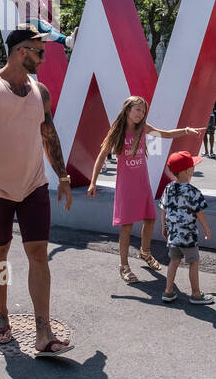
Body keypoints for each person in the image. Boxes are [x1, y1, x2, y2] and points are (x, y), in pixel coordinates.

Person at [0, 24, 75, 357]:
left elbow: (48, 135)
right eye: (40, 52)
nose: (43, 59)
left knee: (38, 254)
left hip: (34, 185)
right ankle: (3, 316)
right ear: (21, 51)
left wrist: (62, 176)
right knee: (0, 255)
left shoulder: (42, 92)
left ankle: (43, 332)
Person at [87, 95, 203, 283]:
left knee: (150, 219)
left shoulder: (143, 129)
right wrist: (93, 182)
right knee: (127, 226)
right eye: (137, 110)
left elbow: (164, 134)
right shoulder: (117, 133)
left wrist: (186, 130)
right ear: (127, 110)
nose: (141, 114)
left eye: (143, 111)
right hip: (126, 186)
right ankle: (124, 266)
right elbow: (101, 157)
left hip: (142, 183)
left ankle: (145, 252)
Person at [159, 150, 214, 305]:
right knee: (193, 262)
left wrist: (163, 227)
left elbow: (163, 209)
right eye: (192, 166)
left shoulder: (168, 189)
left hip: (173, 234)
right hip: (188, 236)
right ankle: (196, 294)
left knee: (174, 261)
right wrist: (207, 230)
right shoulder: (193, 192)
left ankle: (168, 292)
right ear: (188, 171)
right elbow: (199, 213)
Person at [0, 0, 74, 49]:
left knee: (51, 29)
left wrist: (55, 23)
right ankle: (68, 41)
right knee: (46, 29)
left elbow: (45, 12)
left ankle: (68, 40)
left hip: (37, 22)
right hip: (28, 22)